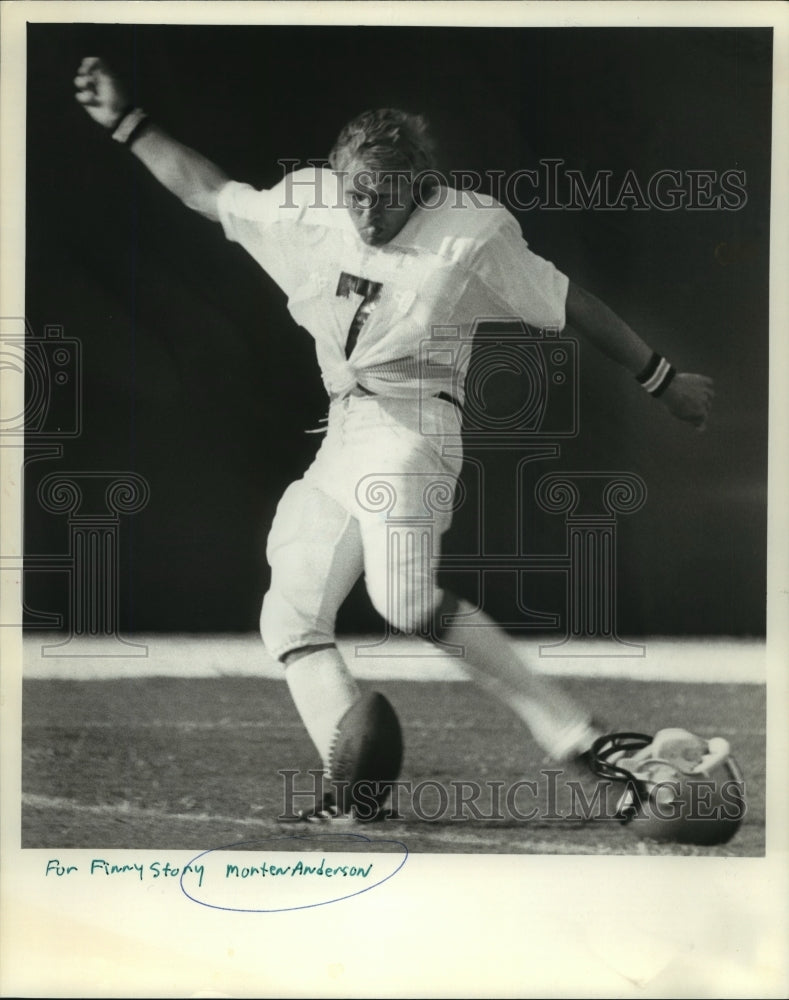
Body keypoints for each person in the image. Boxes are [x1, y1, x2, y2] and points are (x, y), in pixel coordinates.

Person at [74, 57, 714, 819]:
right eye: (357, 193)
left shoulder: (472, 234)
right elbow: (207, 192)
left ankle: (579, 739)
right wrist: (127, 123)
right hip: (343, 432)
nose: (369, 212)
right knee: (288, 614)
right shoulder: (310, 209)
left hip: (415, 423)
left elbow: (570, 302)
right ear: (335, 178)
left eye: (387, 194)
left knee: (403, 595)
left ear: (421, 185)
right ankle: (354, 782)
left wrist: (660, 377)